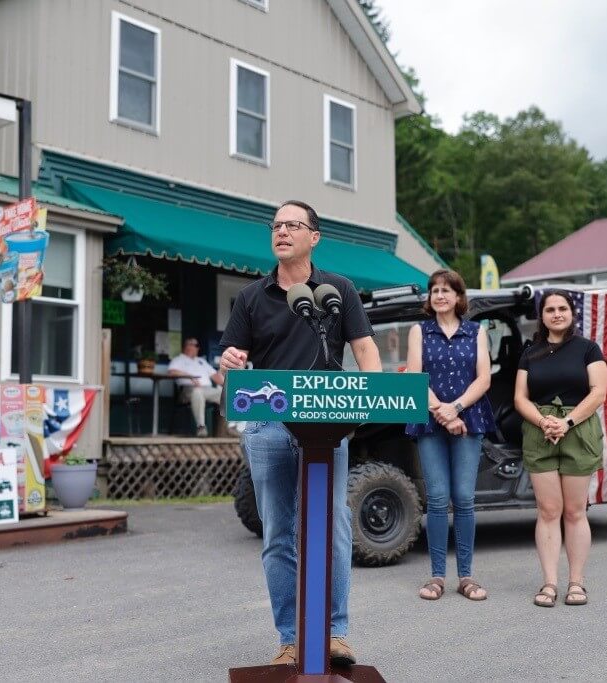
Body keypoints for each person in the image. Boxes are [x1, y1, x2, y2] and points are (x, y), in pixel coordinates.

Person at [219, 199, 381, 668]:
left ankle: (335, 632)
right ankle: (291, 638)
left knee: (334, 523)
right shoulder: (251, 297)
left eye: (293, 225)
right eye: (276, 225)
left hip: (328, 422)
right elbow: (231, 365)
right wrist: (228, 362)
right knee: (278, 532)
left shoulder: (338, 290)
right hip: (269, 424)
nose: (282, 231)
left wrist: (372, 395)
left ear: (315, 236)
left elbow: (365, 349)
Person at [404, 269, 495, 602]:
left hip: (468, 418)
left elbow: (484, 378)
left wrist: (455, 408)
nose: (440, 295)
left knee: (465, 498)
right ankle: (437, 577)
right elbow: (414, 376)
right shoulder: (419, 331)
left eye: (446, 290)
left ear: (458, 297)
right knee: (438, 497)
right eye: (435, 291)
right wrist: (441, 411)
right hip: (430, 420)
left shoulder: (476, 331)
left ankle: (466, 576)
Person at [513, 289, 607, 608]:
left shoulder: (588, 349)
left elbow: (598, 393)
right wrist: (544, 422)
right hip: (539, 431)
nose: (556, 314)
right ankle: (550, 582)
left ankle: (576, 582)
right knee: (548, 510)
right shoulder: (530, 353)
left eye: (562, 308)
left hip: (578, 430)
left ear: (572, 312)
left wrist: (566, 423)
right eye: (550, 309)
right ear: (541, 316)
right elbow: (520, 398)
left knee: (575, 511)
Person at [167, 337, 223, 436]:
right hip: (187, 390)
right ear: (187, 346)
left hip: (207, 390)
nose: (198, 348)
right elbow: (171, 372)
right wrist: (189, 376)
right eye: (196, 345)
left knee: (226, 394)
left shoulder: (201, 361)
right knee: (198, 391)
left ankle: (227, 429)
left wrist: (229, 384)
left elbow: (217, 378)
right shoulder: (179, 359)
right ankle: (201, 427)